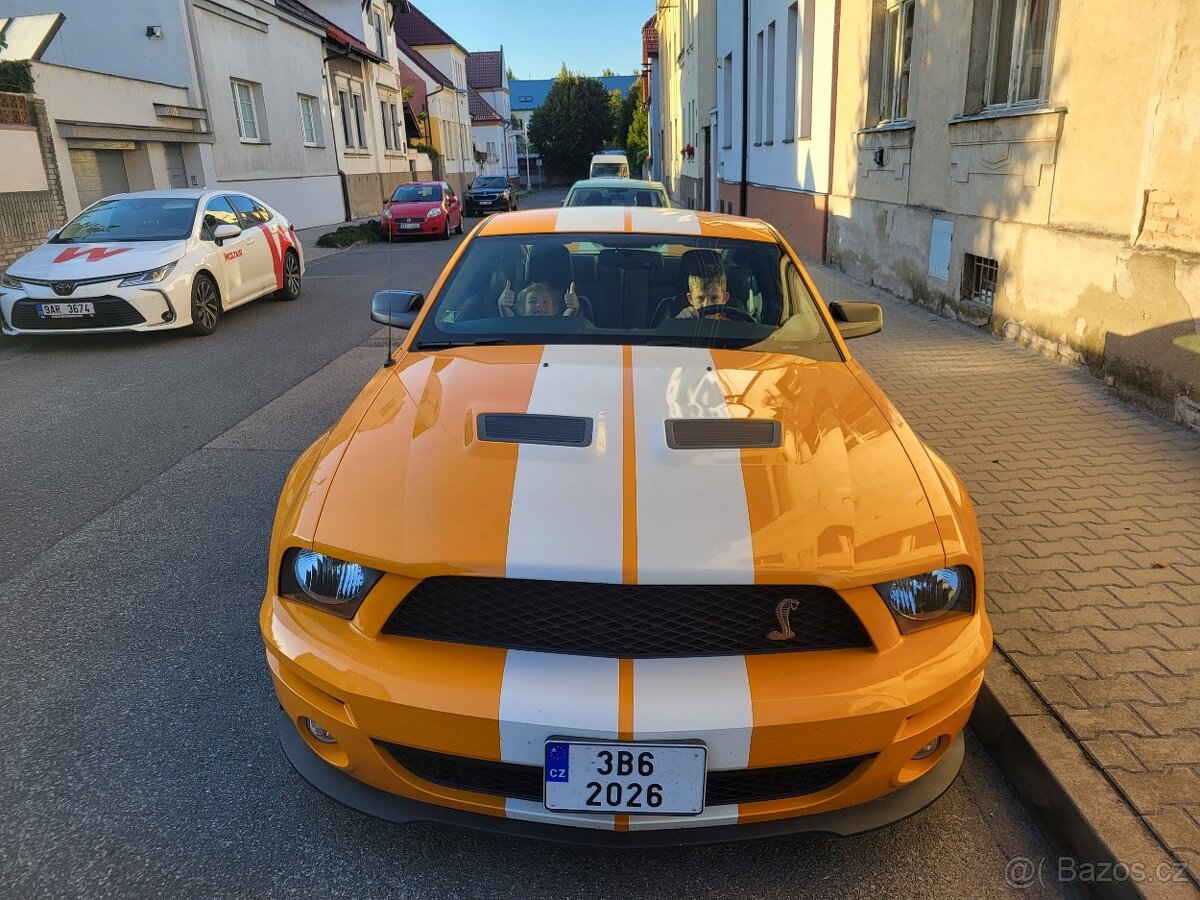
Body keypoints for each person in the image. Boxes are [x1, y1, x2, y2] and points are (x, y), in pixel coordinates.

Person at [498, 280, 581, 317]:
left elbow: (566, 322)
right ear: (522, 309)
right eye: (532, 302)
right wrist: (502, 305)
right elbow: (509, 322)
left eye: (545, 302)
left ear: (554, 308)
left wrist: (572, 308)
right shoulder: (519, 327)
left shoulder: (558, 326)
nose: (539, 305)